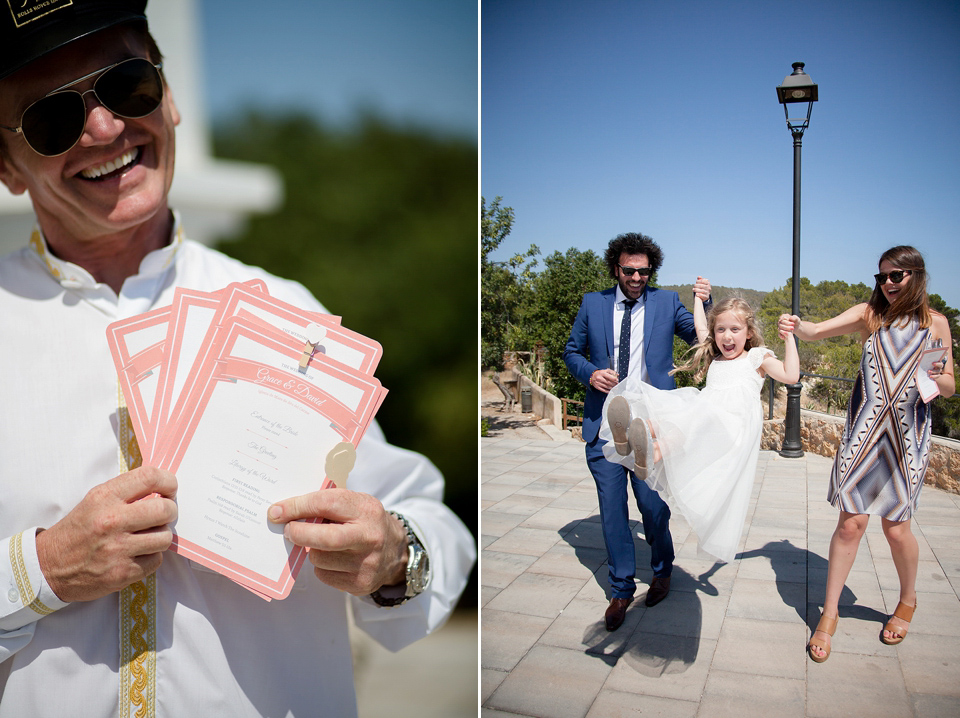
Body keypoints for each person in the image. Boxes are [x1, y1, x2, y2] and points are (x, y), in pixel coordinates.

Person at [0, 2, 474, 715]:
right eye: (50, 118)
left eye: (128, 86)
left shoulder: (290, 310)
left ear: (170, 95)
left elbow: (431, 523)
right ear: (5, 165)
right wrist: (41, 569)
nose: (104, 129)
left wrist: (392, 554)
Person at [777, 245, 955, 663]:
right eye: (882, 277)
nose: (888, 284)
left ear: (916, 275)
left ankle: (907, 600)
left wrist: (936, 375)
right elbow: (817, 331)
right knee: (849, 526)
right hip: (864, 435)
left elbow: (947, 387)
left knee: (896, 530)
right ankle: (830, 614)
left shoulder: (936, 325)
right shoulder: (870, 315)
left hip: (907, 438)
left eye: (896, 276)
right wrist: (796, 324)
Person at [563, 231, 711, 632]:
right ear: (616, 268)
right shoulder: (593, 304)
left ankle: (663, 570)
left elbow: (701, 337)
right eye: (629, 270)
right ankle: (621, 589)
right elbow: (571, 352)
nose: (637, 277)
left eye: (644, 272)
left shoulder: (666, 302)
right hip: (605, 425)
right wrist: (590, 373)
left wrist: (704, 302)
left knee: (652, 508)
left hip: (651, 426)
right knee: (613, 513)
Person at [598, 296, 799, 563]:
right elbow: (701, 327)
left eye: (735, 330)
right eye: (721, 330)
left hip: (732, 426)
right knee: (683, 410)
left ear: (749, 332)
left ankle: (650, 445)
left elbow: (790, 375)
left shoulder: (756, 357)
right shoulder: (716, 357)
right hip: (709, 417)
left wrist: (789, 338)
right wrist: (698, 299)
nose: (727, 337)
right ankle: (637, 439)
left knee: (692, 413)